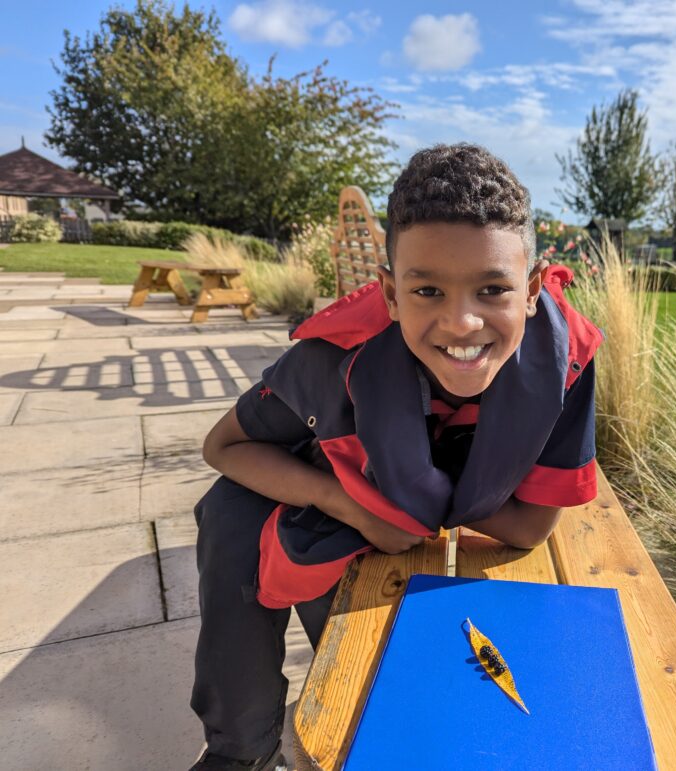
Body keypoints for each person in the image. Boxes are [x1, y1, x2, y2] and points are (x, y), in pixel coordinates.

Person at [189, 144, 602, 770]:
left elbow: (528, 525)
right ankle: (239, 753)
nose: (461, 323)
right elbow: (223, 447)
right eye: (427, 290)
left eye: (493, 289)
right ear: (388, 293)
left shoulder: (564, 365)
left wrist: (419, 503)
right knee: (234, 533)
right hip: (320, 494)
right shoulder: (332, 362)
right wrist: (345, 501)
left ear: (534, 289)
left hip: (401, 519)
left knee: (393, 702)